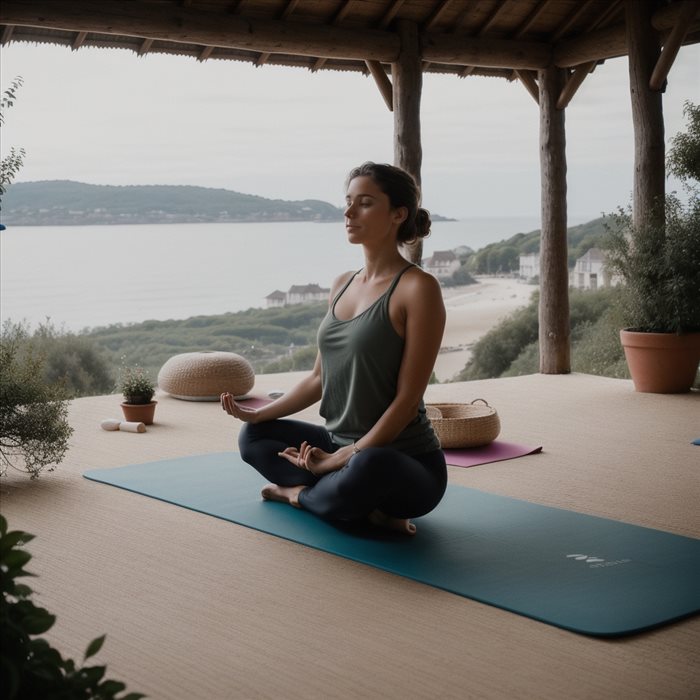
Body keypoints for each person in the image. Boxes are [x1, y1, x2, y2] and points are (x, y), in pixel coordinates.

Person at [220, 162, 447, 535]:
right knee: (254, 438)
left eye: (365, 203)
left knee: (370, 466)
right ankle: (352, 505)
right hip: (335, 446)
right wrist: (259, 415)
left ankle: (296, 495)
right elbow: (318, 377)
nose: (348, 212)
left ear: (398, 214)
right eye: (348, 202)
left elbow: (408, 400)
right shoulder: (342, 283)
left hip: (401, 461)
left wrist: (342, 457)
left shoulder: (417, 288)